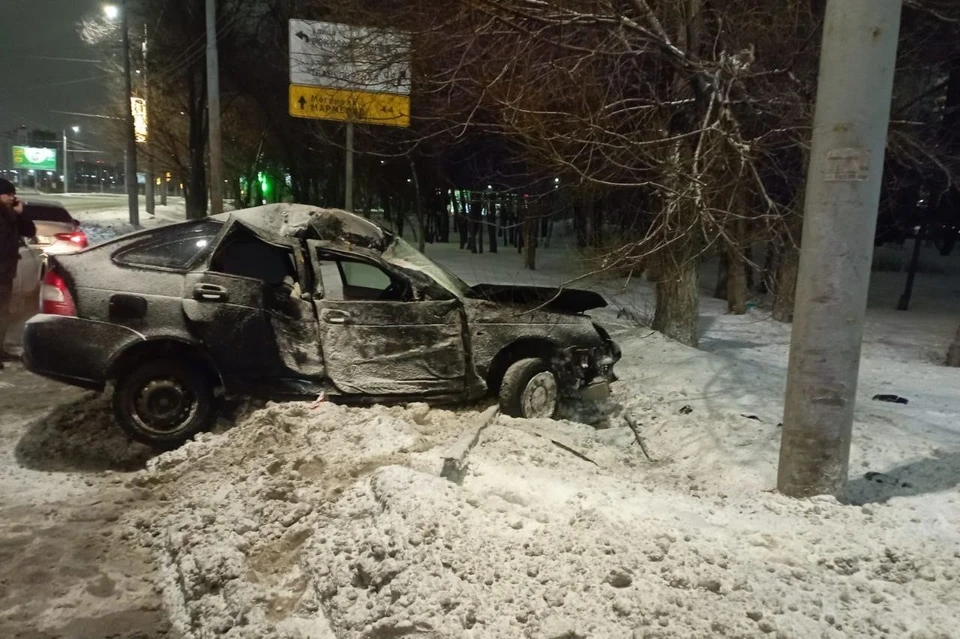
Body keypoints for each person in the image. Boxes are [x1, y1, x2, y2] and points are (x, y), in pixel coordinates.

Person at [0, 178, 36, 369]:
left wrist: (21, 214)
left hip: (5, 272)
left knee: (3, 312)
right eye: (9, 194)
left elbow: (30, 231)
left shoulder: (10, 214)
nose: (12, 198)